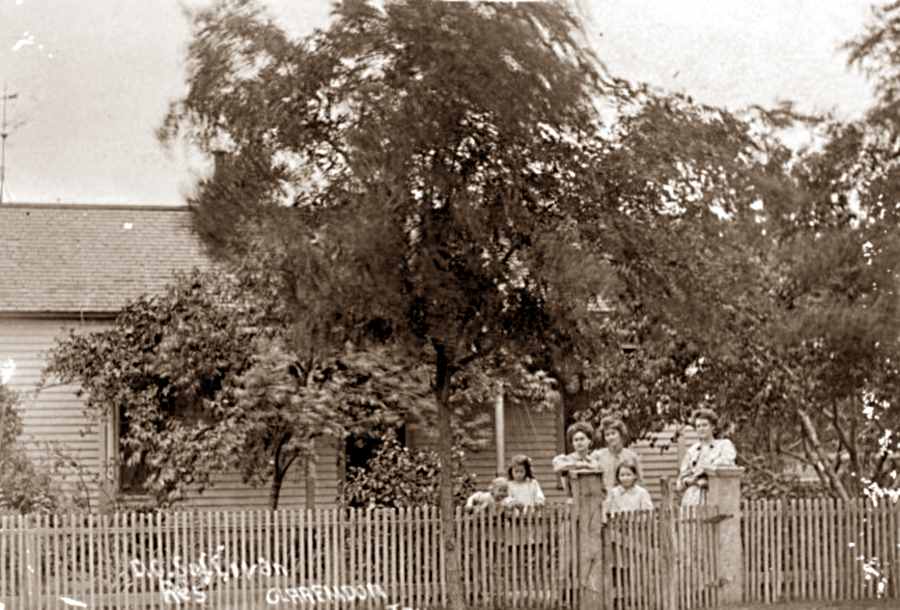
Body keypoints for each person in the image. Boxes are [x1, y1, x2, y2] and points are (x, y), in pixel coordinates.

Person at [676, 408, 737, 507]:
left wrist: (704, 472)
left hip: (715, 498)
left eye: (704, 425)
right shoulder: (692, 451)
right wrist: (690, 481)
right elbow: (680, 482)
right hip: (692, 501)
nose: (701, 429)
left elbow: (726, 465)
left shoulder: (724, 446)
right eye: (698, 426)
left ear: (713, 427)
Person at [590, 416, 642, 495]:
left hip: (627, 499)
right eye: (607, 435)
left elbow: (639, 482)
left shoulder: (631, 456)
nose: (610, 437)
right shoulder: (597, 456)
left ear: (621, 434)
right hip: (605, 498)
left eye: (613, 433)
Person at [552, 422, 597, 496]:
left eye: (582, 439)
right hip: (573, 499)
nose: (579, 442)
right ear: (572, 443)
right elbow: (556, 466)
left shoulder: (594, 459)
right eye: (576, 440)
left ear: (589, 441)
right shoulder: (566, 459)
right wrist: (581, 465)